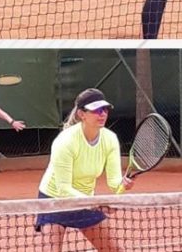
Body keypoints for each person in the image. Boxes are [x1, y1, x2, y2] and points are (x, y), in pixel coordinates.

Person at [35, 88, 135, 252]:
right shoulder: (65, 141)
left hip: (87, 201)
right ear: (82, 114)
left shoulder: (110, 139)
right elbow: (63, 189)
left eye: (105, 109)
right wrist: (94, 203)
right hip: (54, 200)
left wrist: (123, 184)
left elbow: (114, 184)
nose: (102, 114)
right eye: (96, 110)